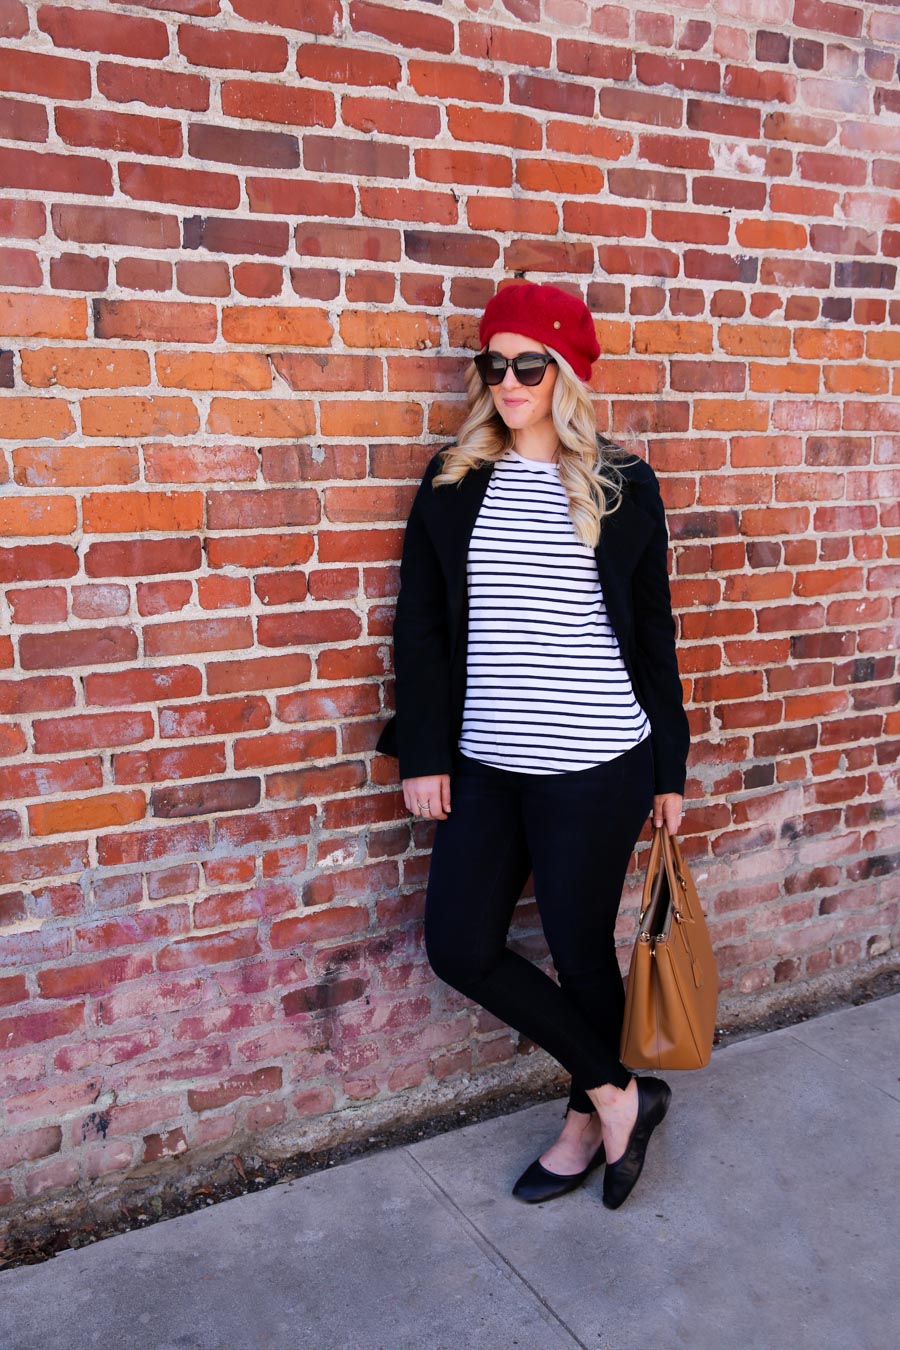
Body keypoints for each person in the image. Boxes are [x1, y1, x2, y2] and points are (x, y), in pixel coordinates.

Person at [375, 281, 690, 1209]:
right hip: (484, 765)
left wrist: (668, 766)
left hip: (599, 763)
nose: (509, 382)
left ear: (567, 372)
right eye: (495, 364)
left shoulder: (624, 484)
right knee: (460, 944)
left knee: (581, 948)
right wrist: (426, 754)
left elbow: (653, 633)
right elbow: (421, 630)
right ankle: (620, 1091)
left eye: (530, 364)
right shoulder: (451, 481)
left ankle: (584, 1121)